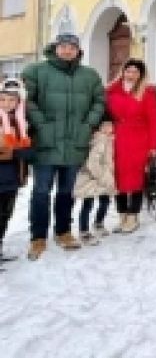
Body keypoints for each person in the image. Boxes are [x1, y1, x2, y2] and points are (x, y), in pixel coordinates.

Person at [23, 33, 105, 260]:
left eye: (72, 47)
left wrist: (88, 124)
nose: (67, 51)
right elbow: (26, 100)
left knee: (66, 192)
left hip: (75, 143)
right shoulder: (36, 71)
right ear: (55, 48)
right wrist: (41, 125)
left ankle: (63, 231)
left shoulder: (89, 75)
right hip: (46, 143)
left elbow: (99, 101)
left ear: (78, 51)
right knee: (41, 192)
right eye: (63, 46)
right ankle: (38, 237)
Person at [107, 59, 156, 233]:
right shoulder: (112, 91)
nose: (131, 75)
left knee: (136, 179)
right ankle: (122, 214)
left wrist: (154, 146)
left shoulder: (147, 93)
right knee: (118, 179)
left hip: (139, 140)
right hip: (117, 138)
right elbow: (105, 113)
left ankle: (133, 215)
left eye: (135, 72)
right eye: (128, 71)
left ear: (141, 75)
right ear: (123, 71)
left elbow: (155, 121)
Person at [73, 115, 115, 244]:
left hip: (103, 176)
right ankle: (84, 231)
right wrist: (102, 176)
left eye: (110, 125)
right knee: (88, 204)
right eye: (105, 126)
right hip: (93, 177)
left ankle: (98, 223)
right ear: (100, 127)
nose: (108, 128)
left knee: (105, 201)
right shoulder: (100, 140)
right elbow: (93, 162)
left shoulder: (109, 139)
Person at [0, 79, 30, 260]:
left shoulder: (21, 123)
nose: (7, 104)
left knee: (5, 214)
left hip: (13, 176)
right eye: (3, 99)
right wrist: (16, 151)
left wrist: (23, 152)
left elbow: (26, 150)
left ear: (19, 102)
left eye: (12, 100)